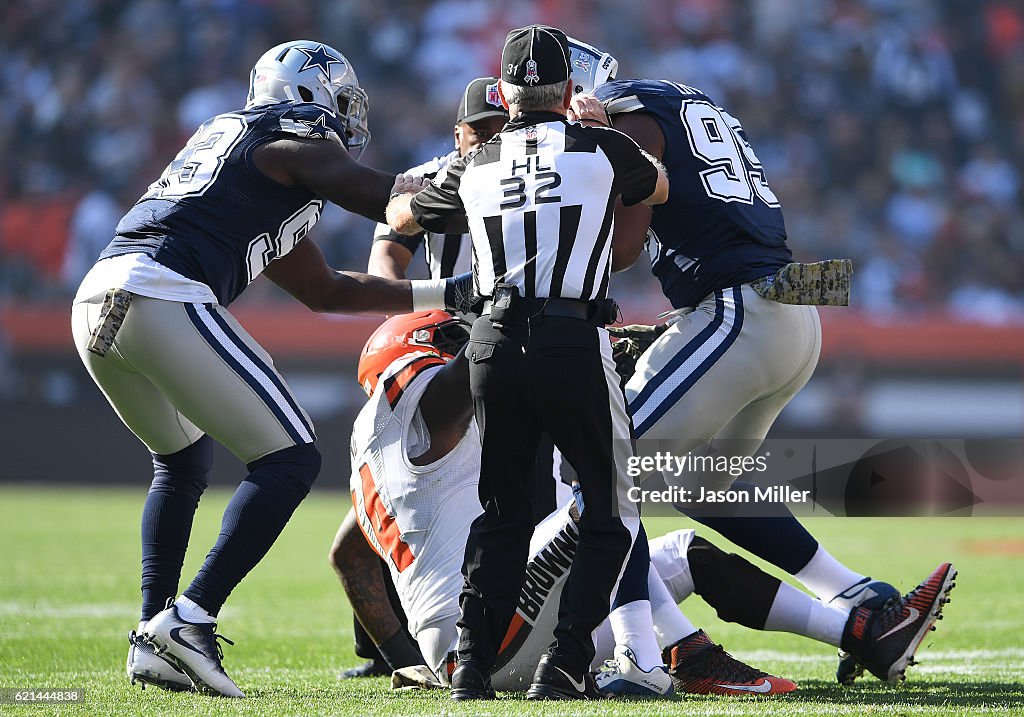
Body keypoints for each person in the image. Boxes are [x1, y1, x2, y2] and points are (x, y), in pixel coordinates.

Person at [71, 39, 467, 698]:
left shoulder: (254, 163)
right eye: (340, 102)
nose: (347, 119)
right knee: (291, 458)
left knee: (182, 460)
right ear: (307, 96)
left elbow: (327, 291)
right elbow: (385, 201)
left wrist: (447, 294)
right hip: (158, 289)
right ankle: (190, 620)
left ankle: (155, 631)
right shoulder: (291, 137)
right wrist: (484, 181)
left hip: (99, 298)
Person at [332, 312, 955, 697]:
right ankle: (671, 655)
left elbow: (348, 558)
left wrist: (412, 660)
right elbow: (461, 385)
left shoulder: (377, 451)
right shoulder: (413, 407)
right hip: (491, 632)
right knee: (604, 490)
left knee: (682, 552)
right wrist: (516, 318)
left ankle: (864, 632)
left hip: (485, 636)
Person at [569, 78, 956, 684]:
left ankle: (640, 655)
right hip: (789, 303)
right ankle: (861, 601)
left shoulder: (633, 121)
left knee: (597, 470)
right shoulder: (689, 104)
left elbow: (622, 248)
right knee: (693, 481)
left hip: (739, 312)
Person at [386, 25, 669, 700]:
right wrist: (598, 125)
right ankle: (567, 661)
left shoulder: (474, 161)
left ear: (505, 93)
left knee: (503, 510)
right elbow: (655, 187)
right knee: (611, 507)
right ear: (569, 88)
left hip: (492, 342)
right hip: (573, 337)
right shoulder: (600, 144)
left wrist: (403, 195)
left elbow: (404, 219)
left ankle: (472, 665)